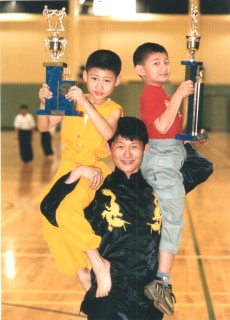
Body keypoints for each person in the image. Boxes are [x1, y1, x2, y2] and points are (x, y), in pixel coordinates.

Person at [40, 117, 165, 320]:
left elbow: (201, 169)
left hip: (147, 298)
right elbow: (50, 209)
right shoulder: (98, 185)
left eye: (134, 147)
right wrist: (78, 172)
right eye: (120, 146)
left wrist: (189, 145)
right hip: (108, 296)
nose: (127, 154)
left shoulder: (157, 187)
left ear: (146, 148)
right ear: (108, 148)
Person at [37, 49, 123, 297]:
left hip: (92, 171)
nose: (99, 86)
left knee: (66, 211)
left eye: (107, 81)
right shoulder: (70, 99)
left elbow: (109, 134)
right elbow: (44, 127)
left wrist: (86, 104)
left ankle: (98, 263)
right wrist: (44, 102)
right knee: (48, 214)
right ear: (85, 75)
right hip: (67, 168)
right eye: (94, 78)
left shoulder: (114, 109)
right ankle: (80, 269)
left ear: (117, 81)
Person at [133, 42, 195, 315]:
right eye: (156, 62)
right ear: (140, 70)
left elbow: (170, 127)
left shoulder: (161, 92)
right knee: (174, 219)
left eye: (166, 61)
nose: (164, 67)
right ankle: (161, 281)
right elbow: (159, 127)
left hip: (172, 154)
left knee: (168, 216)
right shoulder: (150, 92)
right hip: (162, 159)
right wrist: (181, 93)